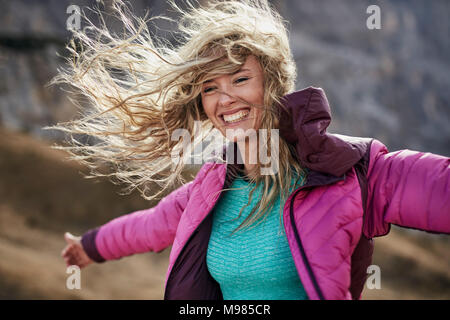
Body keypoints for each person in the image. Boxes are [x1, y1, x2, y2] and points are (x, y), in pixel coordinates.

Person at [58, 0, 449, 300]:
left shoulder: (352, 170)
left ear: (274, 85)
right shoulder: (211, 187)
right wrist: (89, 248)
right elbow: (152, 225)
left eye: (240, 79)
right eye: (210, 87)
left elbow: (438, 188)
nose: (224, 99)